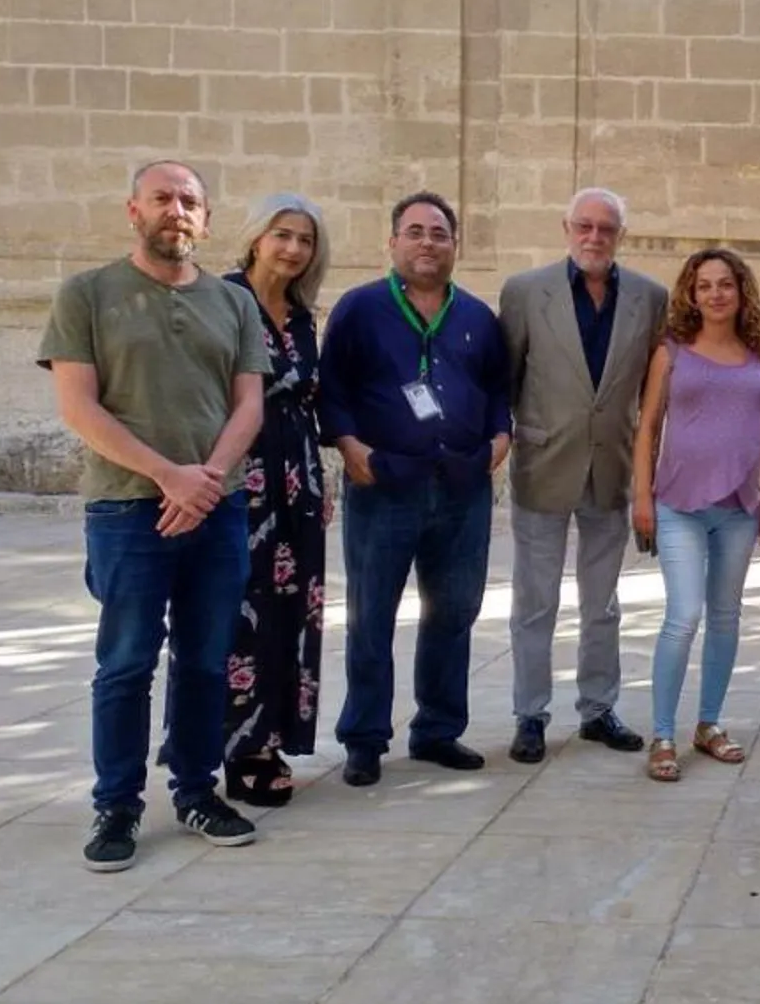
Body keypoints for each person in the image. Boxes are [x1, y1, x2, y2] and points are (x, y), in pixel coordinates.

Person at [37, 160, 270, 871]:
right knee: (127, 661)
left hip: (216, 509)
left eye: (190, 200)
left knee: (205, 660)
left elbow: (249, 404)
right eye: (163, 197)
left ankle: (197, 790)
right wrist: (168, 475)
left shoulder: (233, 304)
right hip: (127, 509)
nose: (177, 209)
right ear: (133, 210)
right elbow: (78, 406)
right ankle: (117, 805)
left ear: (206, 218)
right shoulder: (88, 294)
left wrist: (204, 482)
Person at [317, 191, 511, 787]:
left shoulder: (478, 316)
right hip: (384, 487)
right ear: (393, 242)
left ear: (456, 245)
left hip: (462, 488)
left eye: (440, 234)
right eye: (416, 232)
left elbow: (500, 388)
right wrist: (351, 448)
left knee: (453, 611)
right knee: (371, 615)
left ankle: (437, 730)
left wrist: (500, 440)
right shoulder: (359, 308)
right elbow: (332, 389)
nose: (428, 242)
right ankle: (365, 738)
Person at [497, 188, 668, 763]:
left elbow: (654, 392)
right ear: (566, 227)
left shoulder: (649, 297)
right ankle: (530, 715)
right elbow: (509, 378)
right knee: (535, 601)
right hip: (544, 466)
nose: (594, 238)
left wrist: (650, 475)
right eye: (584, 227)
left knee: (603, 602)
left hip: (611, 469)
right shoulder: (525, 292)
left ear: (622, 235)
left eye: (607, 229)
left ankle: (598, 708)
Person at [631, 248, 760, 781]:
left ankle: (710, 723)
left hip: (740, 508)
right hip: (678, 506)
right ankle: (663, 733)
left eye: (725, 284)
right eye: (704, 286)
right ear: (691, 295)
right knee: (684, 616)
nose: (715, 294)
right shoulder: (671, 352)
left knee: (726, 616)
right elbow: (648, 426)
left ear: (741, 292)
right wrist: (642, 498)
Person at [216, 193, 334, 806]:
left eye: (305, 240)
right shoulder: (221, 299)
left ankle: (277, 737)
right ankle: (240, 749)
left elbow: (307, 401)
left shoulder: (301, 314)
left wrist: (321, 475)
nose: (293, 249)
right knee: (243, 610)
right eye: (282, 235)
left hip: (300, 477)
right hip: (243, 474)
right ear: (257, 237)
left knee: (295, 612)